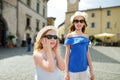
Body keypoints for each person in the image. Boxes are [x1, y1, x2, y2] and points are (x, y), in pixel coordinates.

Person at [64, 11, 94, 80]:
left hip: (84, 69)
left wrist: (91, 70)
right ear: (73, 23)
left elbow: (88, 54)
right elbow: (67, 55)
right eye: (76, 21)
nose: (79, 23)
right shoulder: (70, 36)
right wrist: (66, 72)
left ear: (84, 23)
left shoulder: (86, 36)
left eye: (81, 21)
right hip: (72, 69)